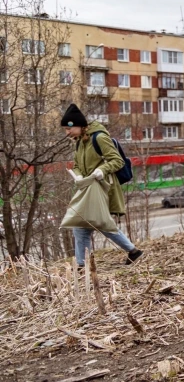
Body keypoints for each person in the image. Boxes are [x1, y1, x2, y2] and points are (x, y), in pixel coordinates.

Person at [61, 104, 143, 268]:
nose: (67, 133)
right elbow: (77, 164)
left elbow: (117, 161)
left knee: (93, 221)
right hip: (88, 188)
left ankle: (82, 265)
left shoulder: (99, 138)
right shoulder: (79, 143)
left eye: (68, 129)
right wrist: (77, 175)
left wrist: (101, 170)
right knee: (85, 223)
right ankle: (84, 264)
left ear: (78, 125)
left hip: (103, 187)